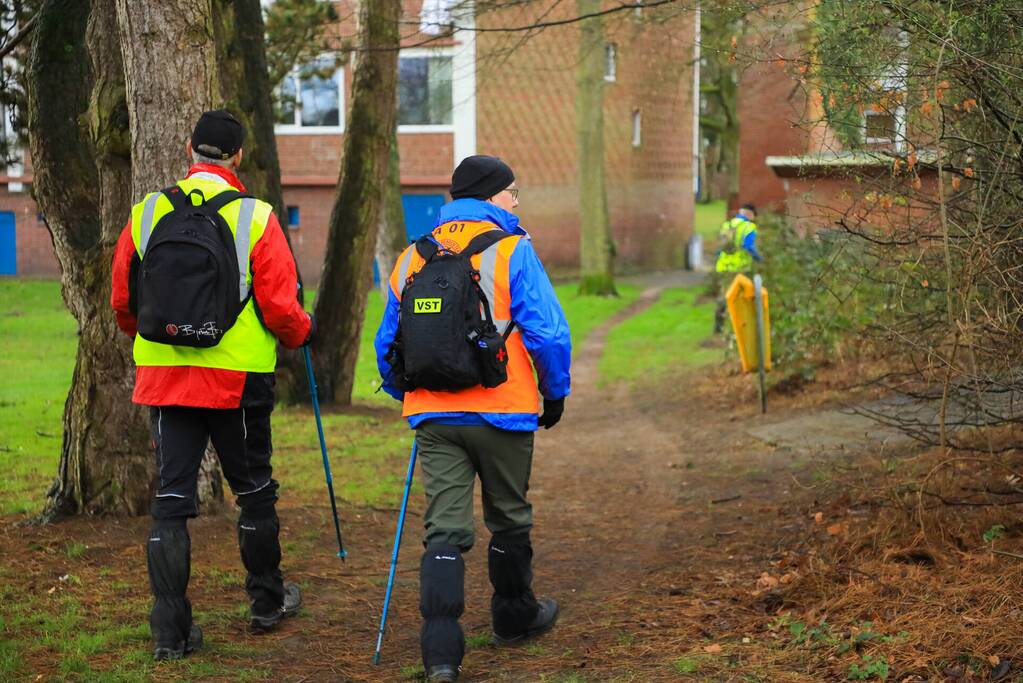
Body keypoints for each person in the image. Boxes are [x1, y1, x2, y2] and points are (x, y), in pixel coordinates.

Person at [110, 110, 313, 660]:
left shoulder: (148, 211)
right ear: (239, 156)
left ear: (189, 148)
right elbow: (278, 304)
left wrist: (151, 340)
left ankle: (169, 632)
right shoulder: (256, 216)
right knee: (253, 491)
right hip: (237, 378)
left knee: (171, 500)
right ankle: (267, 602)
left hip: (166, 377)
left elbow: (124, 299)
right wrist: (302, 331)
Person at [375, 155, 572, 683]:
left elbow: (386, 344)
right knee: (508, 517)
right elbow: (549, 334)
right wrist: (554, 395)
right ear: (490, 198)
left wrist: (408, 393)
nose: (516, 201)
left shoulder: (411, 258)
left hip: (434, 417)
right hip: (503, 410)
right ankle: (513, 618)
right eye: (512, 193)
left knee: (443, 532)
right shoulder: (511, 251)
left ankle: (441, 656)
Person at [713, 203, 761, 334]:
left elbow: (719, 247)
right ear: (750, 214)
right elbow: (749, 246)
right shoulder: (749, 227)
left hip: (723, 267)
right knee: (739, 297)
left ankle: (719, 326)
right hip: (740, 268)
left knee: (724, 295)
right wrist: (760, 259)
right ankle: (736, 327)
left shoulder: (727, 225)